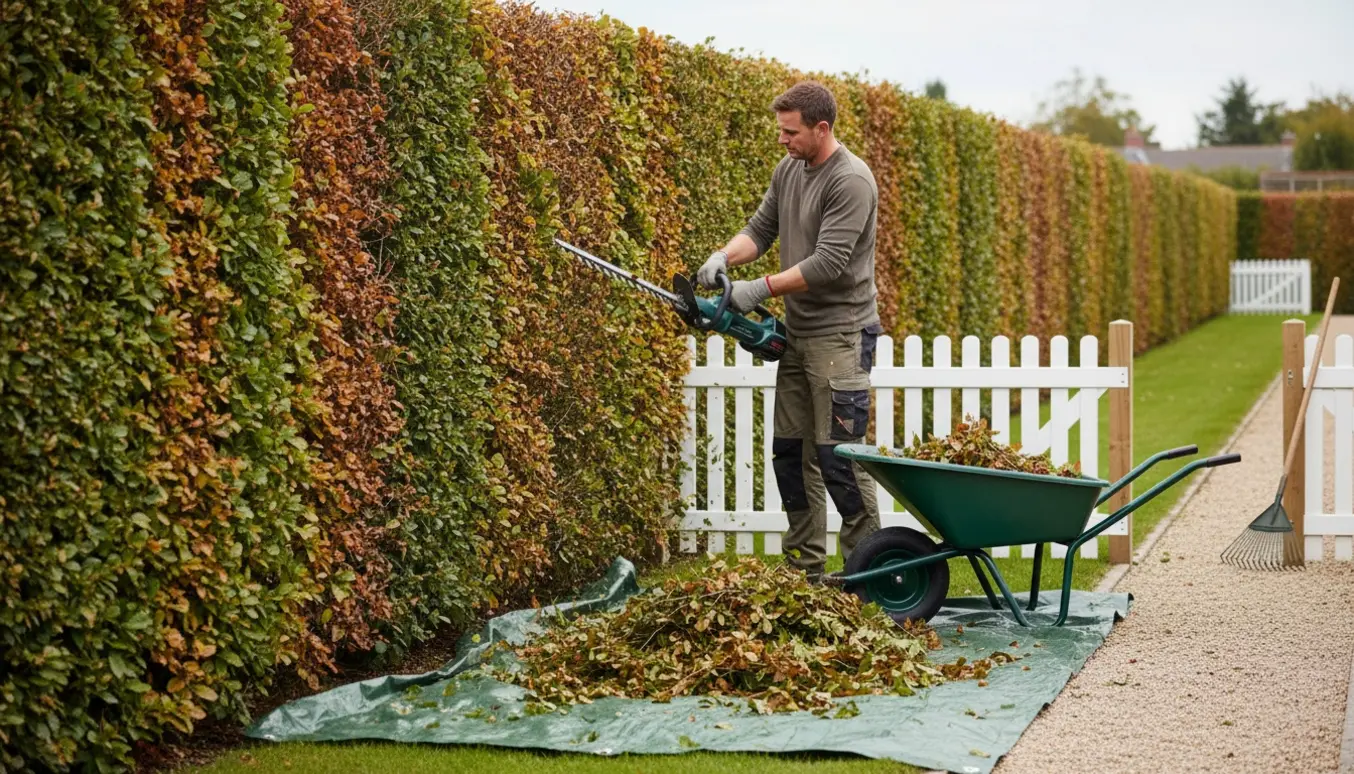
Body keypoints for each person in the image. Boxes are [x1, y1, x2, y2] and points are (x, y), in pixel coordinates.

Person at [696, 81, 883, 582]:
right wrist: (723, 258)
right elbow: (760, 230)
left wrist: (756, 290)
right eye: (781, 130)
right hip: (799, 335)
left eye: (791, 131)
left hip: (842, 335)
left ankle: (869, 575)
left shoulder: (852, 181)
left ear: (822, 129)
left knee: (839, 459)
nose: (782, 140)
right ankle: (805, 573)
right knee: (791, 455)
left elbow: (827, 262)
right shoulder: (790, 169)